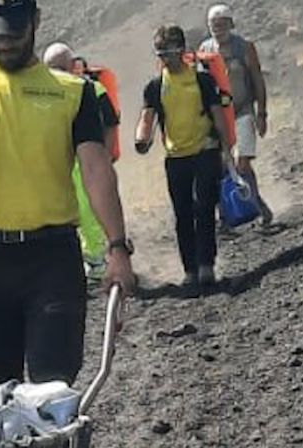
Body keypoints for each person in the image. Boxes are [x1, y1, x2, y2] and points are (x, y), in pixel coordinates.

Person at [0, 0, 135, 386]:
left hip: (53, 259)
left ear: (35, 21)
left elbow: (97, 171)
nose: (4, 43)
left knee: (53, 389)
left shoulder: (73, 92)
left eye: (13, 34)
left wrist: (117, 248)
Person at [135, 25, 233, 291]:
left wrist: (227, 150)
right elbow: (147, 117)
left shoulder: (202, 81)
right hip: (176, 157)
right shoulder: (155, 87)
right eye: (161, 54)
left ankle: (206, 265)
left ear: (181, 50)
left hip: (205, 152)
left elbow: (218, 116)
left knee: (204, 208)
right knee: (182, 213)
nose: (166, 59)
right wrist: (142, 139)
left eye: (169, 52)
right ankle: (190, 269)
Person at [43, 41, 121, 280]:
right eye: (53, 69)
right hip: (55, 163)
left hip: (86, 161)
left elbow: (111, 123)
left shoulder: (92, 89)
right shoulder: (42, 95)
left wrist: (105, 156)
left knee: (89, 210)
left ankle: (97, 259)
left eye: (60, 67)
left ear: (72, 65)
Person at [199, 3, 273, 225]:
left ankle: (258, 207)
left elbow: (257, 78)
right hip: (217, 117)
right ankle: (227, 213)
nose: (218, 29)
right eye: (214, 25)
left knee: (243, 163)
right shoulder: (205, 50)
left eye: (222, 24)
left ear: (231, 24)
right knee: (221, 166)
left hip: (242, 111)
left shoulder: (244, 47)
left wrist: (262, 113)